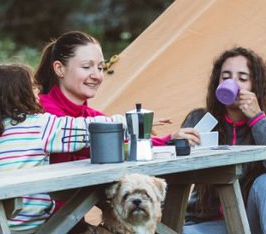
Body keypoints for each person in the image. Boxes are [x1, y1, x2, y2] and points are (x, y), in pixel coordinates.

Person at [0, 62, 122, 234]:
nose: (38, 90)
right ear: (20, 94)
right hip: (33, 226)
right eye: (33, 86)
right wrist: (123, 122)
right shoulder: (38, 124)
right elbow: (84, 129)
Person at [180, 47, 266, 234]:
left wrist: (258, 120)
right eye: (226, 77)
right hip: (209, 224)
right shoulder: (200, 119)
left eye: (242, 78)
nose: (232, 82)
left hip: (254, 225)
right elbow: (176, 172)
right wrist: (177, 144)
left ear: (255, 85)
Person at [32, 31, 199, 163]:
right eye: (86, 66)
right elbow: (82, 140)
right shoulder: (40, 110)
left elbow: (123, 146)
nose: (96, 75)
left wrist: (169, 140)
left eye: (100, 67)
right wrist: (125, 126)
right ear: (60, 69)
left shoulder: (94, 117)